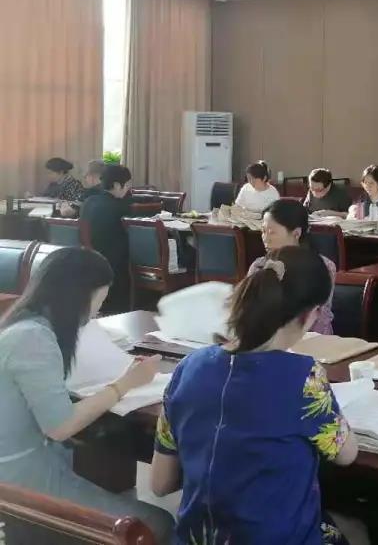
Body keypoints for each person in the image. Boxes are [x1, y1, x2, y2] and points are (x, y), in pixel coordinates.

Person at [150, 246, 359, 544]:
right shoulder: (304, 377)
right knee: (354, 529)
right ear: (311, 314)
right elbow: (347, 455)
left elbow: (160, 483)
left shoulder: (188, 367)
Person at [0, 247, 174, 542]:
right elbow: (60, 426)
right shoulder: (33, 338)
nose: (96, 312)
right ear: (77, 296)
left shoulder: (25, 324)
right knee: (159, 523)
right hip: (19, 483)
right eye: (99, 301)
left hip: (25, 467)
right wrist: (125, 384)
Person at [248, 199, 335, 334]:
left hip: (313, 339)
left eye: (272, 232)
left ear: (296, 233)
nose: (265, 238)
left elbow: (320, 319)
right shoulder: (258, 266)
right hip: (267, 339)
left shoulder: (322, 267)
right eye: (263, 231)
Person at [80, 164, 134, 314]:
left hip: (90, 260)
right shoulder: (121, 207)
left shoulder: (88, 203)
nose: (128, 189)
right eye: (127, 185)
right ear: (116, 185)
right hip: (115, 269)